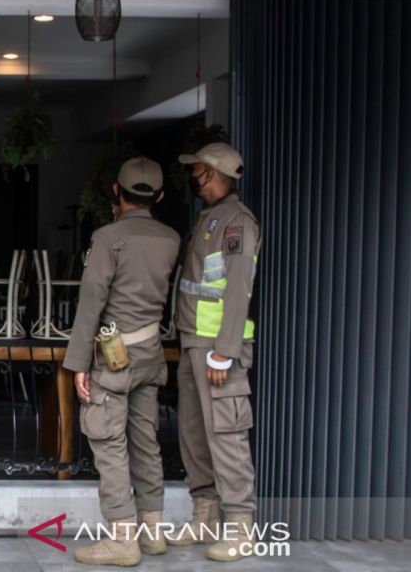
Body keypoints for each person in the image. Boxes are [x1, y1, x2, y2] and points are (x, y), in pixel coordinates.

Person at [64, 157, 181, 566]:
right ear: (160, 196)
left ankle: (121, 540)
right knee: (145, 443)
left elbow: (91, 302)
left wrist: (79, 362)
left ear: (117, 191)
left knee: (109, 444)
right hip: (150, 352)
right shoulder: (171, 238)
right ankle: (152, 534)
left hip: (114, 359)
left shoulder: (108, 237)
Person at [165, 142, 259, 562]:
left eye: (198, 170)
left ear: (213, 173)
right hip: (191, 341)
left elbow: (238, 288)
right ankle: (204, 517)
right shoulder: (209, 218)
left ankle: (241, 528)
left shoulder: (237, 223)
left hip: (216, 350)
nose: (193, 178)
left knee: (226, 434)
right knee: (194, 435)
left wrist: (225, 351)